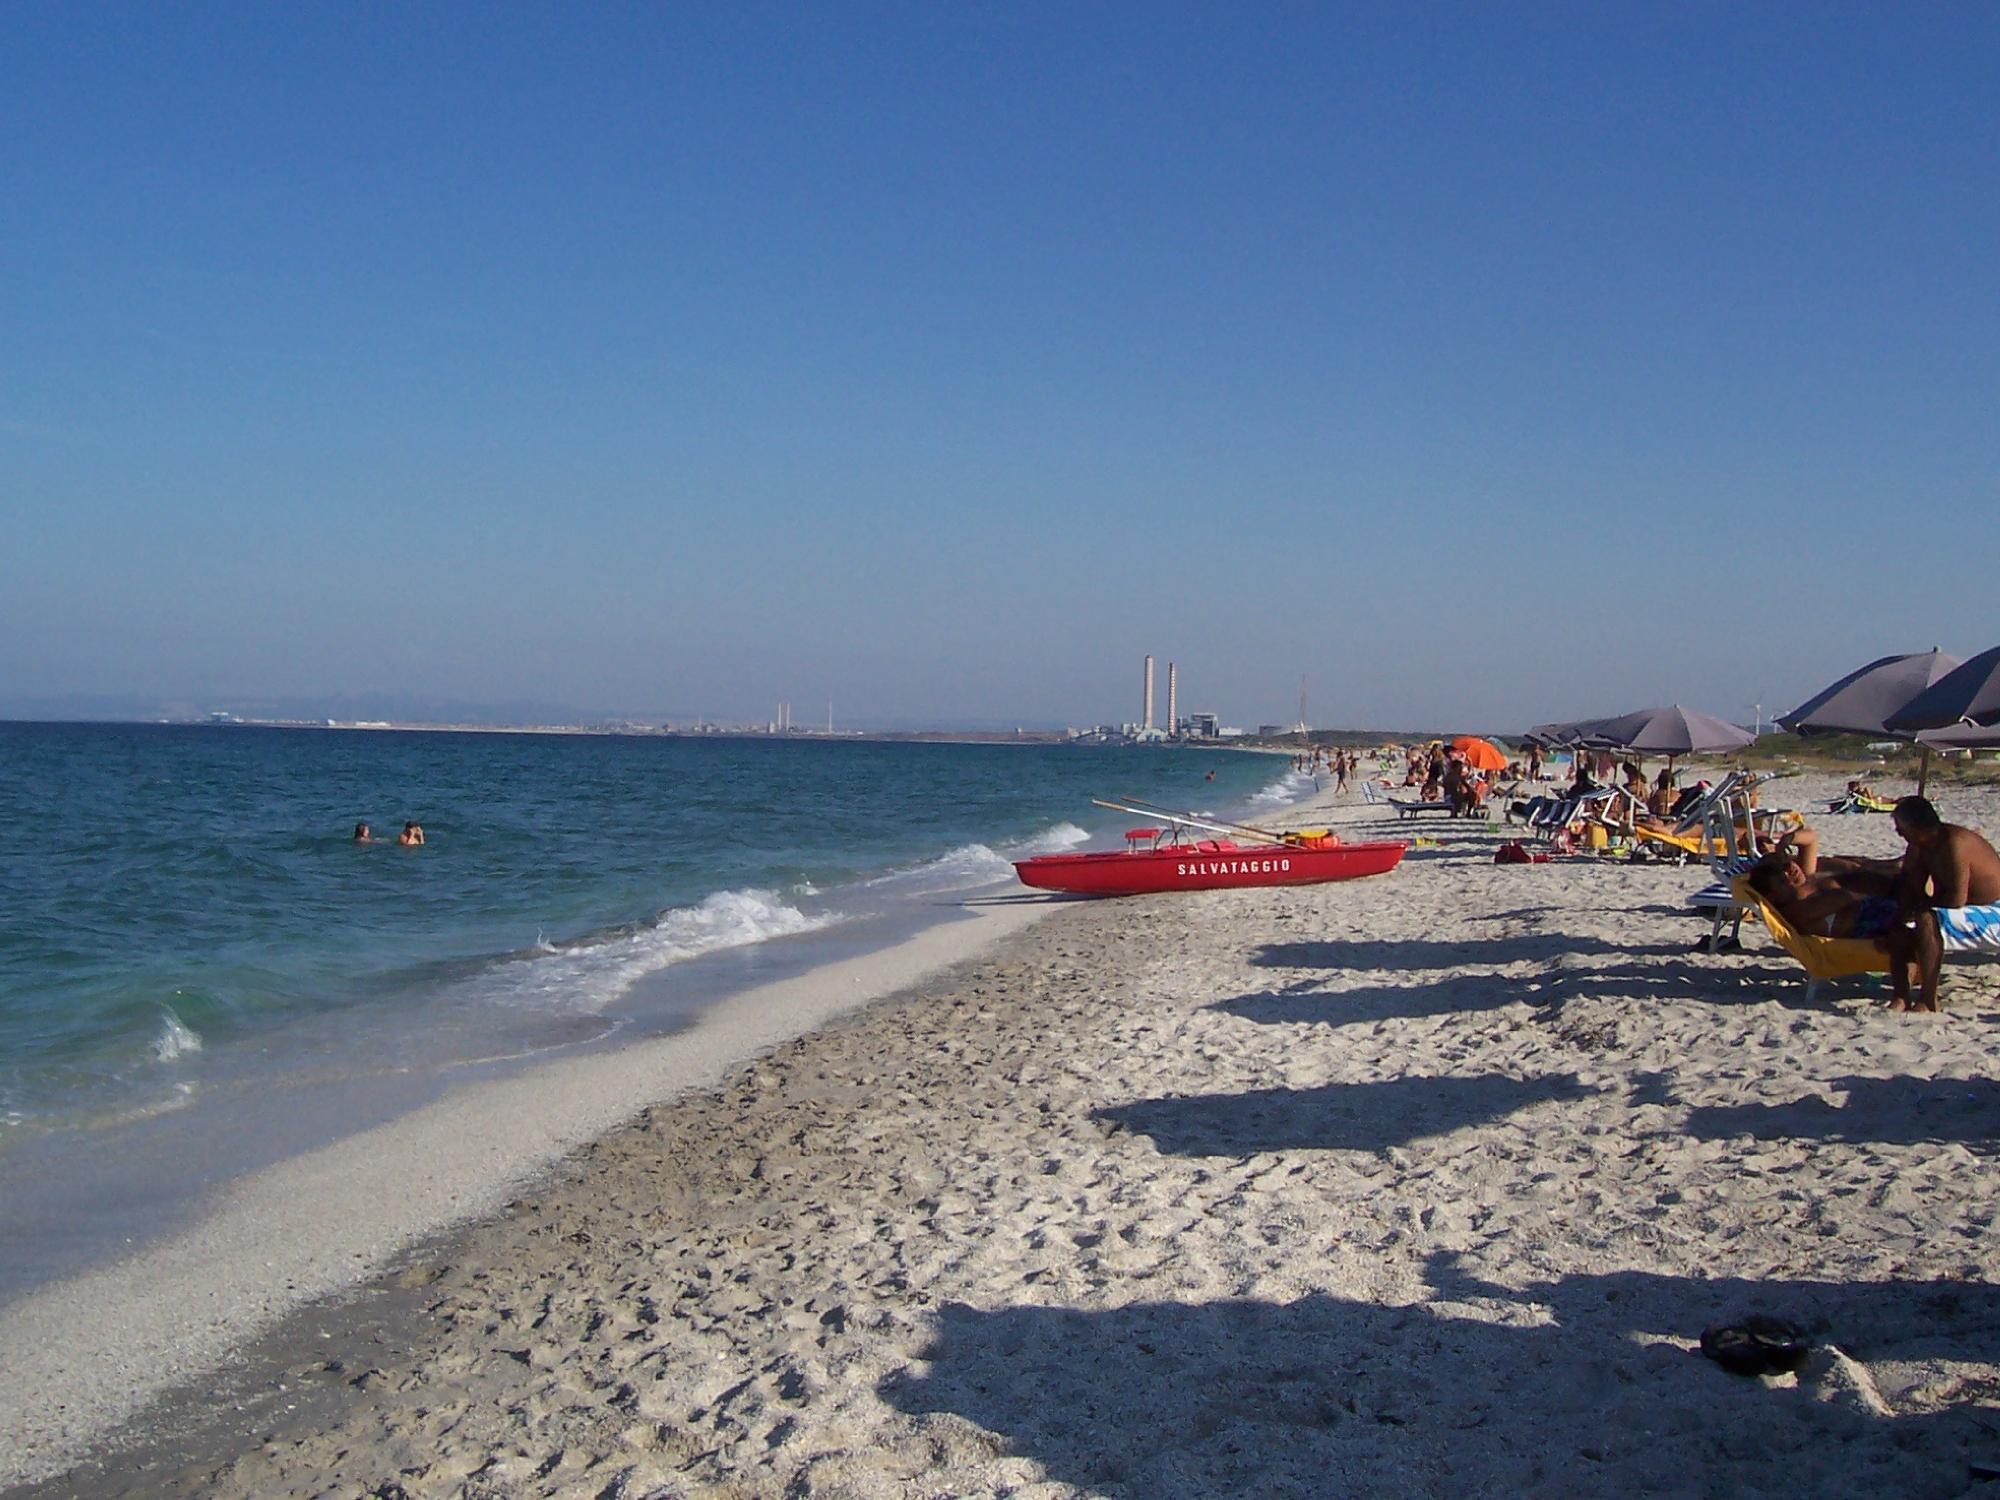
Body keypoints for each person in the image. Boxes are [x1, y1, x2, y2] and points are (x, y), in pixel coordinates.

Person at [1892, 796, 2000, 1012]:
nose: (1899, 833)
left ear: (1916, 827)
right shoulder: (1920, 845)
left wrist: (1920, 907)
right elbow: (1912, 883)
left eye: (1901, 827)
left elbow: (1956, 898)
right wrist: (1906, 906)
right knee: (1899, 920)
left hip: (1991, 906)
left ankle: (1929, 997)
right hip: (1960, 904)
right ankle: (1902, 994)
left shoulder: (1953, 843)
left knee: (1926, 919)